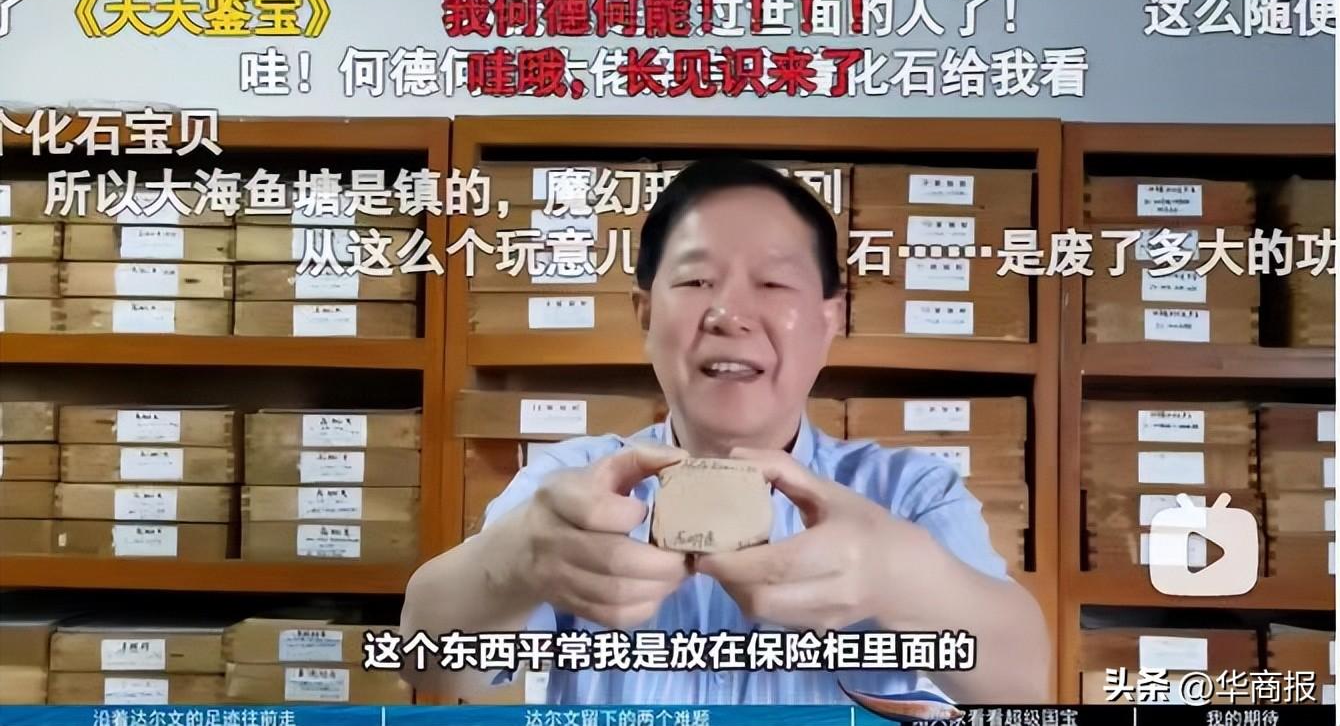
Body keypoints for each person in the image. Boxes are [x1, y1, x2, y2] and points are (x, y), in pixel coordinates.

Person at [401, 157, 1051, 705]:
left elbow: (1022, 685)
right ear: (645, 315)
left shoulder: (909, 491)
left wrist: (898, 574)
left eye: (773, 282)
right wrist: (513, 563)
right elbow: (429, 667)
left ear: (829, 320)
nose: (729, 313)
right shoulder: (571, 483)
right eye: (696, 280)